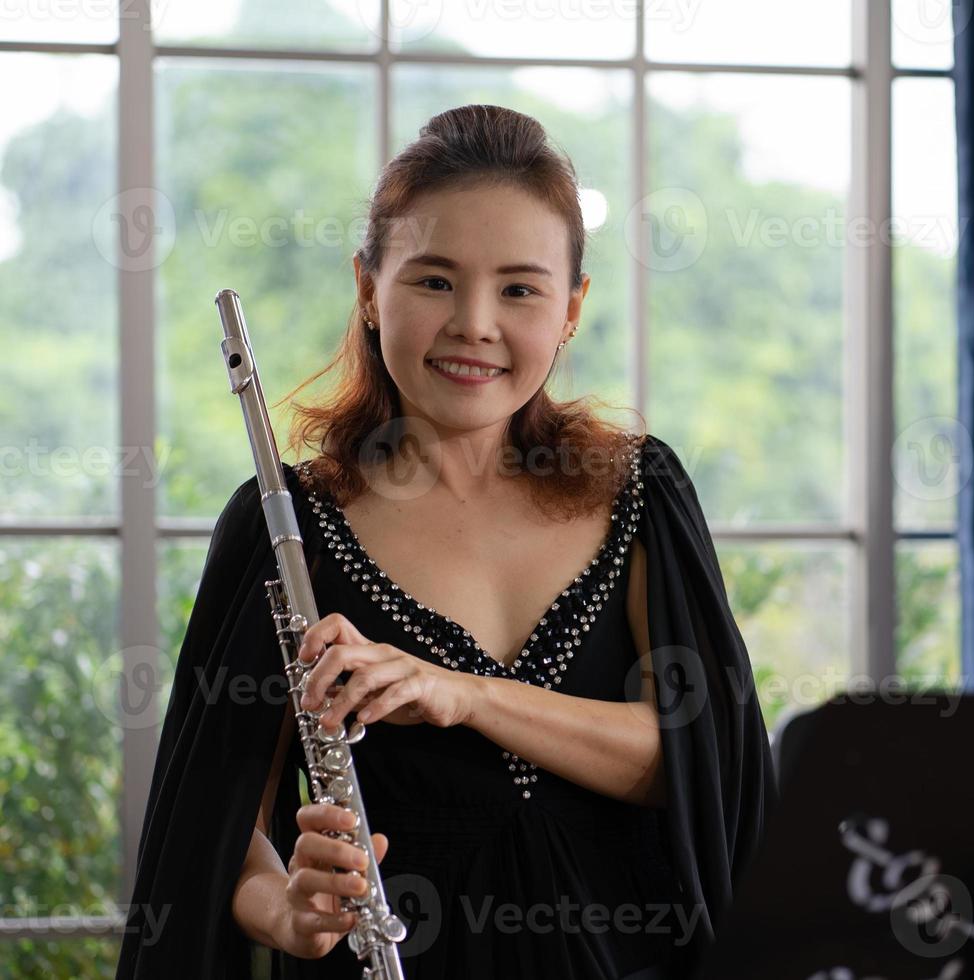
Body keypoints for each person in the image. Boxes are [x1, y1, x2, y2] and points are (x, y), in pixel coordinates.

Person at [114, 104, 778, 979]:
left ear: (572, 308)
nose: (473, 322)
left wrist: (462, 694)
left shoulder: (641, 491)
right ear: (367, 288)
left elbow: (701, 762)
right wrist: (286, 908)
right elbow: (216, 821)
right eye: (432, 280)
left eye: (519, 288)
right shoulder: (286, 523)